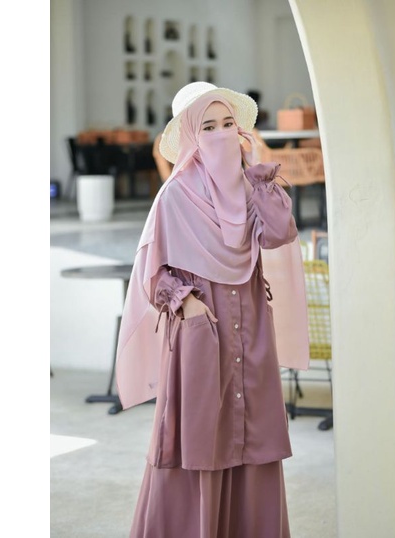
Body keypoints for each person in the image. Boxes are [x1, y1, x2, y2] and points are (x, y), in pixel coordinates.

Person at [116, 81, 310, 538]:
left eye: (228, 124)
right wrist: (187, 305)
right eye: (208, 127)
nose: (221, 134)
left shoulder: (250, 190)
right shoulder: (174, 197)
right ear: (190, 135)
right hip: (201, 335)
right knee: (198, 438)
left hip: (252, 330)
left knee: (255, 436)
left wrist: (258, 175)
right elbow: (151, 273)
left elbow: (279, 234)